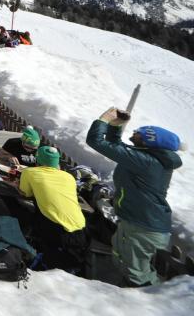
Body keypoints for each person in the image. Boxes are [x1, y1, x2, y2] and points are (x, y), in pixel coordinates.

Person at [86, 108, 183, 287]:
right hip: (140, 223)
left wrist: (103, 120)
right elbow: (117, 147)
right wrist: (117, 126)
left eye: (139, 134)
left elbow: (95, 141)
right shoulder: (147, 158)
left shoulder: (145, 161)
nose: (135, 133)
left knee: (136, 275)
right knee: (126, 263)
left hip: (143, 227)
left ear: (151, 141)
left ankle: (147, 302)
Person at [19, 146, 89, 272]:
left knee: (22, 212)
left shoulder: (30, 172)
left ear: (37, 160)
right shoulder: (69, 177)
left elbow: (25, 193)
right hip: (81, 228)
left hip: (56, 230)